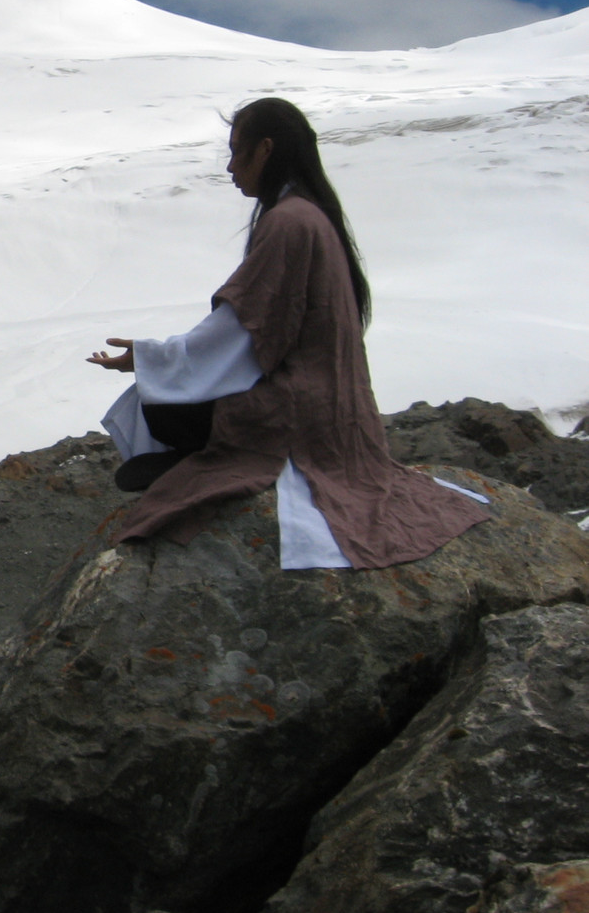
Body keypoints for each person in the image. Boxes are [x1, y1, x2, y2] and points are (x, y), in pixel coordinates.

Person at [87, 97, 490, 570]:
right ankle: (200, 453)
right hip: (335, 407)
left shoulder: (288, 222)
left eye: (236, 152)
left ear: (265, 149)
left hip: (299, 413)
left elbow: (243, 330)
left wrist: (150, 358)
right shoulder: (309, 213)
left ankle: (209, 459)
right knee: (167, 391)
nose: (230, 167)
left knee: (159, 402)